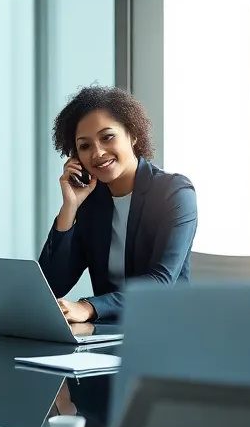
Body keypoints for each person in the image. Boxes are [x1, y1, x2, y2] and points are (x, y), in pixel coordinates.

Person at [39, 85, 197, 324]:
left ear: (132, 134)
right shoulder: (91, 201)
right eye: (85, 146)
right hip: (108, 334)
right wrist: (69, 209)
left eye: (107, 137)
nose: (98, 152)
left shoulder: (174, 193)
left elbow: (160, 283)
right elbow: (50, 286)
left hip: (167, 331)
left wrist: (89, 306)